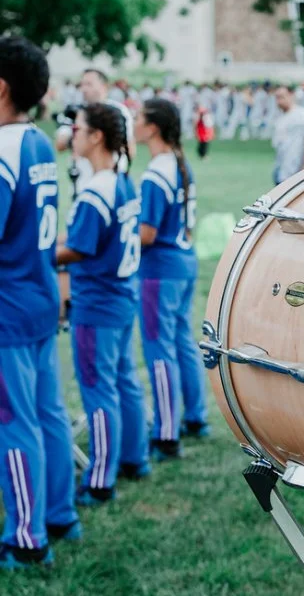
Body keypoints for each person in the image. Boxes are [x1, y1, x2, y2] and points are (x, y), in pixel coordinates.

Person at [0, 36, 81, 569]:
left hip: (9, 302)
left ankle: (26, 537)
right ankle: (60, 513)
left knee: (15, 420)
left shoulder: (3, 149)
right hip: (39, 292)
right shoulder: (37, 143)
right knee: (48, 412)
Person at [56, 103, 149, 503]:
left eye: (77, 129)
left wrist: (36, 252)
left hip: (98, 300)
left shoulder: (97, 189)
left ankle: (100, 478)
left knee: (98, 390)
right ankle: (135, 457)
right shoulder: (121, 179)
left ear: (95, 136)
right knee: (123, 380)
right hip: (121, 294)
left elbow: (77, 249)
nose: (71, 135)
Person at [135, 98, 208, 448]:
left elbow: (146, 234)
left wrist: (114, 238)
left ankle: (166, 431)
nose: (133, 123)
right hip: (183, 261)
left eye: (138, 118)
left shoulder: (155, 173)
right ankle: (195, 417)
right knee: (181, 342)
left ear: (152, 128)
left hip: (160, 269)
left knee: (159, 349)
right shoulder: (179, 163)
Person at [54, 69, 135, 189]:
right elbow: (59, 144)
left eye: (89, 84)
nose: (84, 89)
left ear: (104, 86)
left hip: (112, 179)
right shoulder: (75, 112)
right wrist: (79, 133)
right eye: (82, 84)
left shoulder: (118, 111)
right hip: (83, 181)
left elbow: (130, 148)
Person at [270, 85, 304, 184]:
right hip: (282, 171)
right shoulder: (280, 118)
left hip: (298, 172)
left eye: (282, 97)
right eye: (277, 98)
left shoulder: (303, 115)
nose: (279, 101)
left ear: (291, 95)